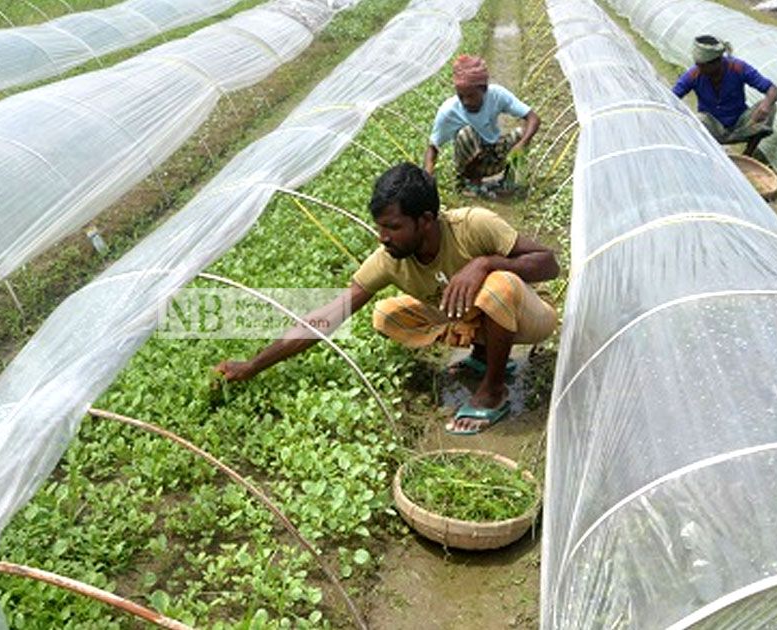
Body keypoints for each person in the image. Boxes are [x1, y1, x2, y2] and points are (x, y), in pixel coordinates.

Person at [215, 163, 560, 435]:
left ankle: (494, 389)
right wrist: (255, 364)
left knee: (497, 284)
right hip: (469, 316)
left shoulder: (473, 225)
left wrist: (484, 264)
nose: (383, 237)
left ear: (425, 220)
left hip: (530, 318)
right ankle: (484, 355)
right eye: (380, 227)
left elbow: (549, 263)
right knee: (386, 314)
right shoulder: (390, 258)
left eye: (393, 227)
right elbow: (327, 316)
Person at [423, 55, 541, 196]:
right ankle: (471, 184)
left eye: (471, 96)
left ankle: (508, 183)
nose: (465, 101)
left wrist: (522, 144)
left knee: (521, 134)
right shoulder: (449, 110)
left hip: (495, 154)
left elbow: (533, 118)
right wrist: (427, 178)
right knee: (466, 133)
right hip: (470, 163)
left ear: (484, 89)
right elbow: (433, 146)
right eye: (461, 96)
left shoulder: (497, 95)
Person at [672, 35, 777, 157]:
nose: (699, 69)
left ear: (717, 61)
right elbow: (672, 97)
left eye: (703, 66)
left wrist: (765, 107)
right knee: (699, 120)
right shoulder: (694, 74)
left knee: (770, 106)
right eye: (698, 64)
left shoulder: (738, 67)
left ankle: (748, 154)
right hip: (713, 128)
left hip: (739, 125)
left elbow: (772, 90)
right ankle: (708, 156)